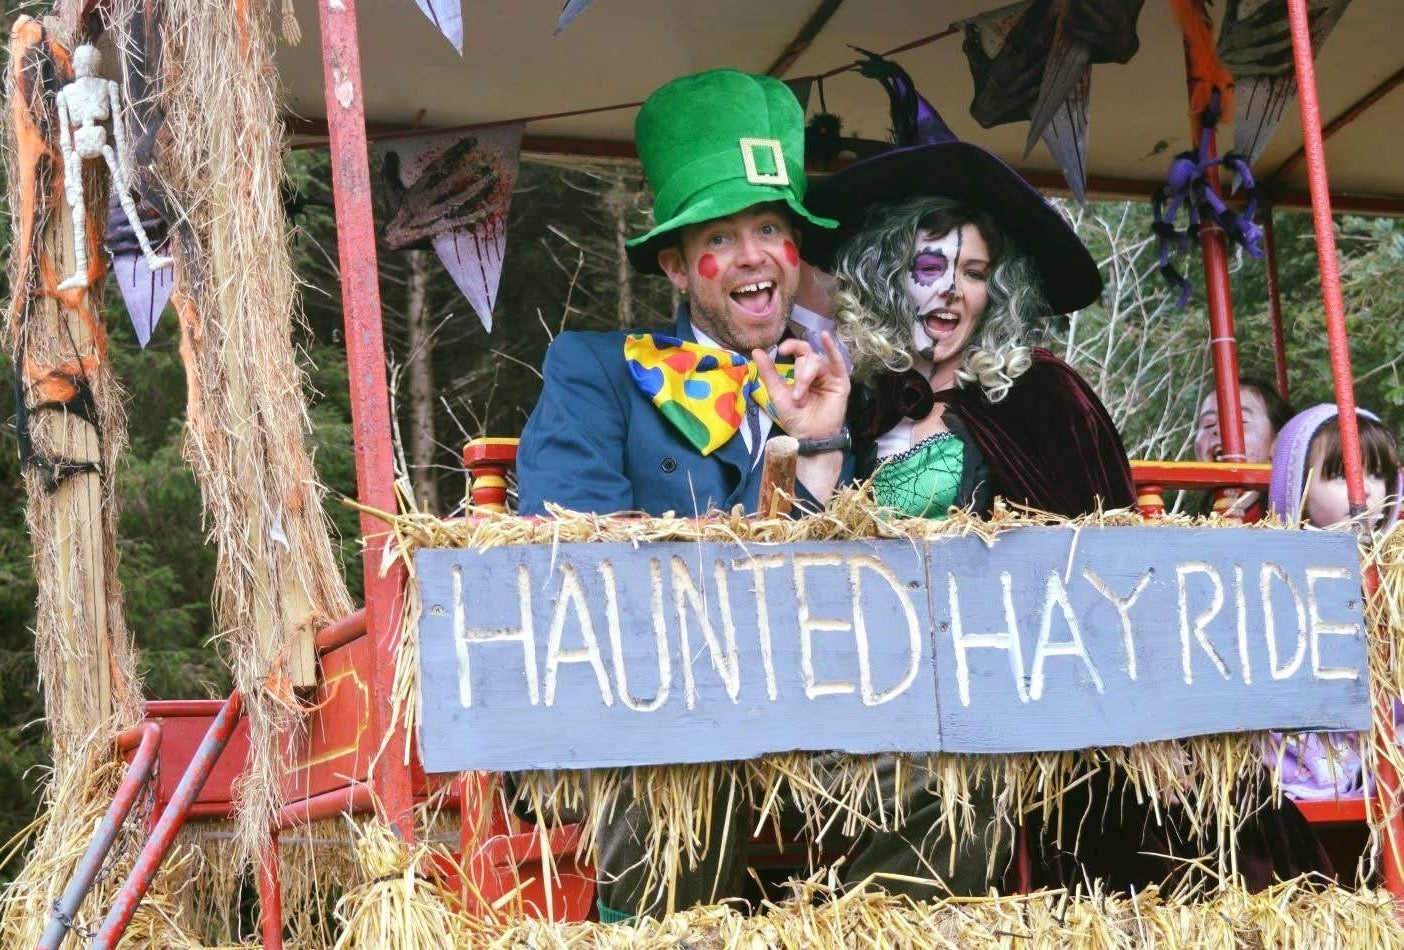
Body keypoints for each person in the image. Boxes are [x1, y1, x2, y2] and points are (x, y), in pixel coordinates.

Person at [517, 69, 983, 922]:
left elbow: (862, 596)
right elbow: (567, 550)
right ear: (676, 265)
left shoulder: (861, 383)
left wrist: (819, 455)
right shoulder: (595, 372)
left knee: (954, 782)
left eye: (769, 227)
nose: (752, 255)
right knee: (680, 779)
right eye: (720, 237)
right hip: (650, 710)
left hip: (815, 716)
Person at [1267, 404, 1402, 802]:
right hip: (1301, 744)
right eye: (1343, 475)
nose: (1365, 491)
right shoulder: (1277, 572)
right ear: (1298, 486)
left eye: (1377, 474)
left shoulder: (1393, 568)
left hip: (1383, 738)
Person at [1194, 378, 1296, 519]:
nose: (1218, 429)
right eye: (1208, 424)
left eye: (1240, 421)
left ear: (1278, 443)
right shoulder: (1197, 525)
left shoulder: (1286, 523)